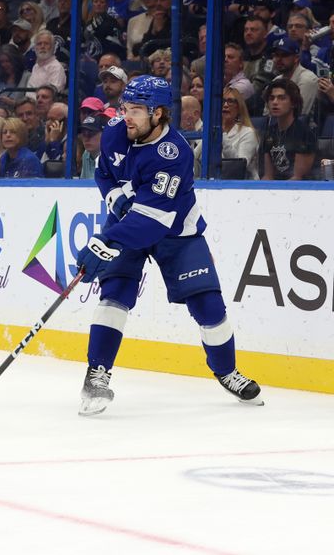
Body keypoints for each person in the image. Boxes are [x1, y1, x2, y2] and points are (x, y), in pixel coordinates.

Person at [74, 75, 263, 416]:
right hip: (131, 221)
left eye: (136, 110)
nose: (126, 116)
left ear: (158, 113)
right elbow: (105, 173)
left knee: (209, 306)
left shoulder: (173, 154)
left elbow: (154, 220)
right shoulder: (117, 132)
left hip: (175, 229)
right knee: (114, 292)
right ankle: (97, 372)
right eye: (124, 107)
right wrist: (117, 201)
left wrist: (107, 241)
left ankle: (226, 371)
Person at [259, 79, 316, 180]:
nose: (275, 102)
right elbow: (268, 175)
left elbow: (298, 178)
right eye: (271, 98)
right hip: (276, 189)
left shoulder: (304, 133)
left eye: (281, 98)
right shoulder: (269, 133)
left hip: (300, 191)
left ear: (293, 103)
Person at [221, 88, 259, 180]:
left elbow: (239, 166)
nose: (225, 105)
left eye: (230, 101)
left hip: (243, 186)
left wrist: (222, 135)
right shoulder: (213, 130)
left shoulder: (248, 133)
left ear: (239, 107)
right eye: (222, 101)